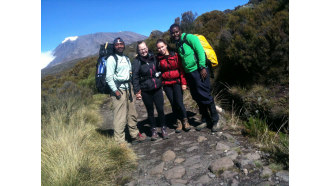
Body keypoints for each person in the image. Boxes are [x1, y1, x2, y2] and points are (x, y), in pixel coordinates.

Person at [169, 24, 221, 132]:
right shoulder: (178, 44)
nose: (175, 34)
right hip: (189, 74)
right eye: (173, 33)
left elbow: (200, 51)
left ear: (180, 30)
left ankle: (216, 120)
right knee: (196, 96)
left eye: (176, 32)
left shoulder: (190, 38)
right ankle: (206, 119)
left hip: (199, 71)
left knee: (205, 94)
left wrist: (202, 67)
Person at [106, 37, 146, 145]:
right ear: (114, 46)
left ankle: (134, 134)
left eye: (121, 43)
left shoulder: (126, 58)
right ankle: (120, 142)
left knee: (132, 113)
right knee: (120, 116)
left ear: (124, 45)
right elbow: (108, 77)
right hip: (119, 90)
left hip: (129, 89)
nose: (119, 46)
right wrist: (116, 91)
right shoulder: (111, 59)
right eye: (117, 44)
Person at [132, 41, 168, 140]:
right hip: (145, 90)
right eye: (141, 50)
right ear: (138, 51)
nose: (143, 51)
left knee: (160, 109)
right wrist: (137, 91)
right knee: (150, 111)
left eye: (144, 48)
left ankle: (163, 128)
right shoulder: (136, 62)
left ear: (147, 48)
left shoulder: (154, 57)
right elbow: (134, 77)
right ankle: (153, 130)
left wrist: (160, 77)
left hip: (157, 88)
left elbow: (160, 68)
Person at [156, 39, 191, 133]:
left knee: (179, 102)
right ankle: (178, 122)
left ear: (166, 45)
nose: (161, 49)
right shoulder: (158, 59)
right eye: (159, 48)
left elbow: (181, 69)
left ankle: (185, 120)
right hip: (166, 84)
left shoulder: (175, 55)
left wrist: (184, 83)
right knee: (173, 103)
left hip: (177, 82)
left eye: (162, 46)